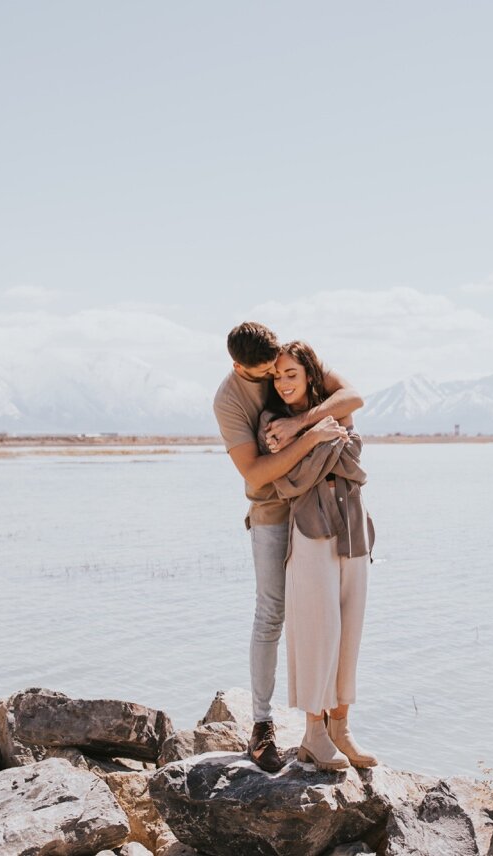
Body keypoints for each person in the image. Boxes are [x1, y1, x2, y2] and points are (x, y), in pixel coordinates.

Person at [212, 322, 363, 772]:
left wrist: (301, 422)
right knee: (272, 612)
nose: (276, 378)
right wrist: (313, 437)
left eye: (280, 369)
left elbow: (352, 397)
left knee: (328, 613)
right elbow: (256, 475)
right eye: (265, 373)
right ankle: (261, 724)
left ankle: (331, 726)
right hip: (273, 513)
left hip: (317, 508)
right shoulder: (229, 401)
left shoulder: (286, 360)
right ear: (240, 367)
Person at [260, 340, 377, 770]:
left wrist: (308, 438)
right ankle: (313, 732)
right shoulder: (271, 421)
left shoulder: (330, 408)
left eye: (292, 373)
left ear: (310, 374)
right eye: (277, 376)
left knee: (350, 629)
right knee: (318, 630)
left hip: (353, 530)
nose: (284, 382)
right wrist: (320, 439)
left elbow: (354, 465)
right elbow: (291, 482)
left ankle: (341, 729)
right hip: (310, 533)